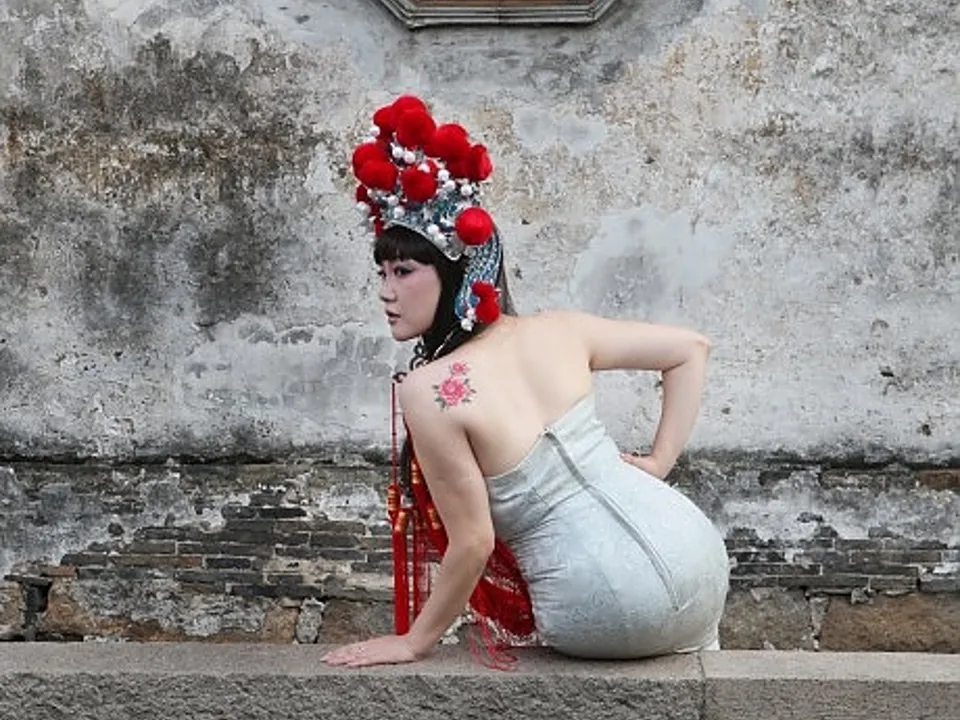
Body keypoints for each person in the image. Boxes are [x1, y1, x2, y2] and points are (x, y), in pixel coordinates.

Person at [322, 95, 729, 668]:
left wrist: (414, 642)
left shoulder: (429, 389)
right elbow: (690, 350)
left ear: (457, 271)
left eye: (405, 271)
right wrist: (659, 463)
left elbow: (474, 542)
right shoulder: (559, 328)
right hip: (697, 550)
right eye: (382, 272)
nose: (386, 292)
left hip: (602, 598)